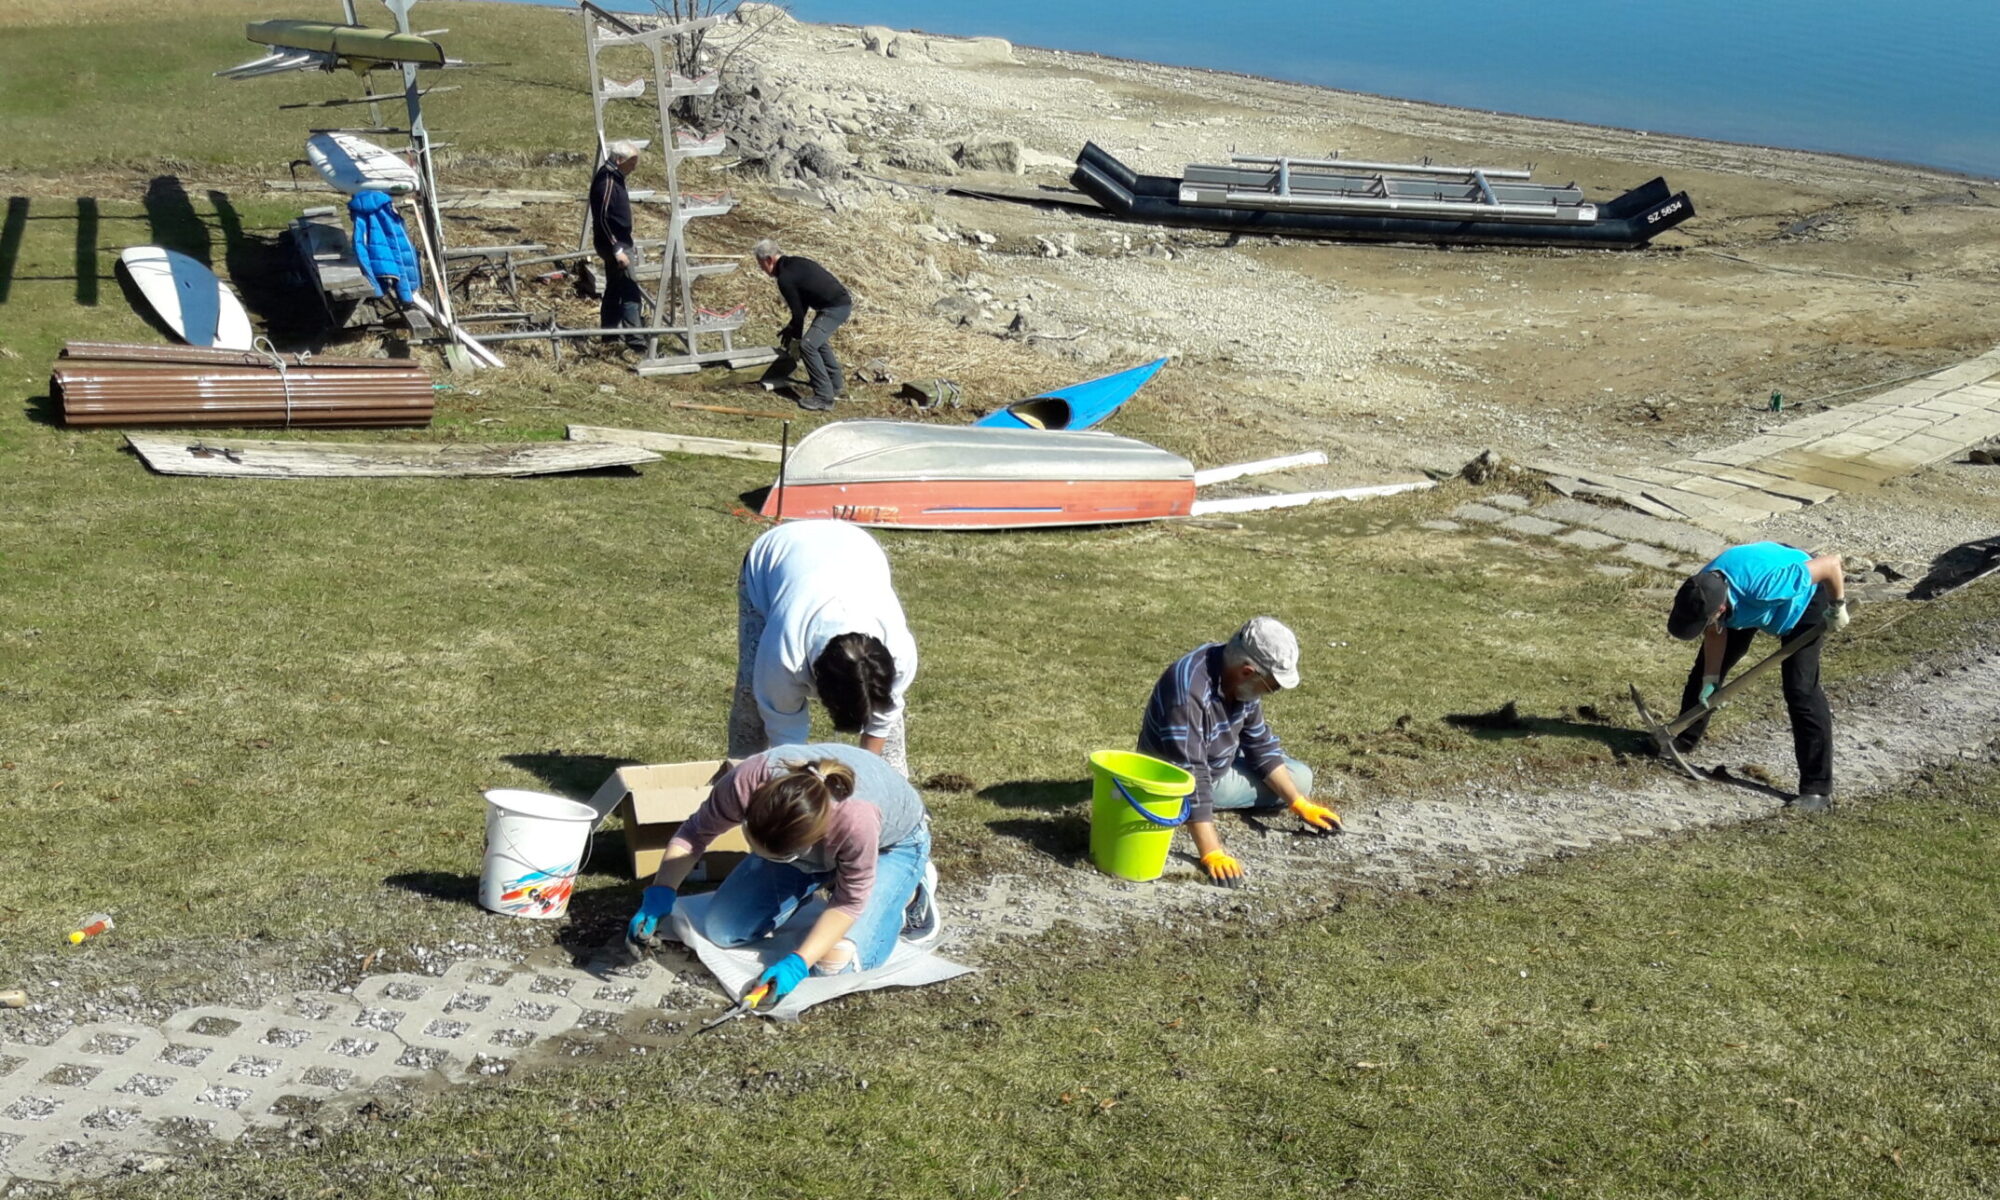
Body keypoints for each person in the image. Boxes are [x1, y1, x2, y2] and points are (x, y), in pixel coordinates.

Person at [625, 744, 938, 1003]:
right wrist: (661, 892)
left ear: (809, 844)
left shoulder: (855, 820)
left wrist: (798, 963)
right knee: (723, 928)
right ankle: (823, 877)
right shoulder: (747, 781)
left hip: (894, 845)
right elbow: (694, 834)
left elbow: (849, 902)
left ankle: (911, 891)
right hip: (818, 847)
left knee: (834, 965)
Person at [1137, 617, 1341, 888]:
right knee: (1211, 789)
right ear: (1248, 671)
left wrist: (1298, 803)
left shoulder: (1237, 680)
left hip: (1217, 762)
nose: (1271, 693)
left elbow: (1259, 743)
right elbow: (1190, 776)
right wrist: (1212, 852)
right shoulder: (1188, 693)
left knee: (1300, 778)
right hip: (1174, 781)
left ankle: (1260, 794)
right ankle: (1197, 812)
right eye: (1273, 686)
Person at [1666, 541, 1848, 811]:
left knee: (1800, 688)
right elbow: (1715, 629)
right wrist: (1711, 679)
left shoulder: (1769, 585)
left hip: (1807, 598)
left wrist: (1837, 606)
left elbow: (1831, 564)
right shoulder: (1702, 587)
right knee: (1704, 671)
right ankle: (1681, 739)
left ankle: (1818, 791)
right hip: (1746, 598)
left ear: (1721, 609)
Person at [730, 519, 918, 777]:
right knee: (751, 693)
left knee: (888, 726)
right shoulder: (784, 654)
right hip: (776, 554)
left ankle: (899, 795)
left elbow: (884, 717)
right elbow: (786, 734)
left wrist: (868, 781)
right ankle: (740, 781)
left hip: (856, 547)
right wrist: (802, 791)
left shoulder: (899, 651)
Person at [753, 237, 851, 411]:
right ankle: (834, 384)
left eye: (761, 265)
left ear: (768, 260)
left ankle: (824, 397)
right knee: (817, 342)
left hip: (835, 308)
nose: (762, 270)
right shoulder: (795, 263)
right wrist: (792, 327)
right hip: (838, 303)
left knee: (808, 345)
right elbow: (802, 305)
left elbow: (798, 313)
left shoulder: (785, 277)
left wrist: (796, 342)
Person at [589, 140, 647, 351]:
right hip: (616, 245)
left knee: (614, 290)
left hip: (618, 242)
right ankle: (637, 342)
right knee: (630, 292)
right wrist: (617, 249)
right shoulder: (607, 181)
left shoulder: (615, 176)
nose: (634, 166)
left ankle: (610, 336)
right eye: (632, 162)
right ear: (620, 160)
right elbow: (603, 218)